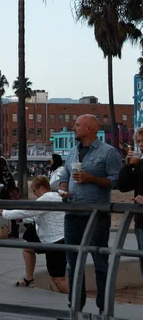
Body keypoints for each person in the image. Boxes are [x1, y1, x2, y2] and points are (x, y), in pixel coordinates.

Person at [58, 114, 121, 314]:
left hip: (96, 216)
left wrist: (90, 178)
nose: (73, 127)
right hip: (72, 213)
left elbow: (115, 182)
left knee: (100, 261)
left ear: (89, 128)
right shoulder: (72, 152)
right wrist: (62, 189)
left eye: (77, 125)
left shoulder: (108, 153)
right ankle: (75, 306)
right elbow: (65, 176)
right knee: (73, 263)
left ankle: (104, 308)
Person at [1, 176, 68, 294]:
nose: (34, 194)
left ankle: (75, 303)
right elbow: (32, 214)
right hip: (52, 237)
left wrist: (4, 213)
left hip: (56, 241)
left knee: (58, 279)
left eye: (34, 191)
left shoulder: (46, 198)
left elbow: (27, 212)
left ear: (41, 187)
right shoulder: (55, 196)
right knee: (28, 247)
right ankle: (28, 278)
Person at [118, 128, 143, 277]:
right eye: (139, 141)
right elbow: (123, 186)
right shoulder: (139, 164)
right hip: (141, 221)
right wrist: (128, 165)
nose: (141, 145)